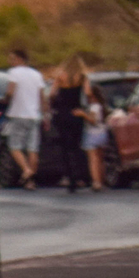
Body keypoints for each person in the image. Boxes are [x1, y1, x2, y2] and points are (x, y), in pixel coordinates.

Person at [1, 47, 47, 188]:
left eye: (12, 58)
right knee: (32, 148)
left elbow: (10, 91)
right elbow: (42, 96)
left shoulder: (14, 73)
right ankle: (30, 180)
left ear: (20, 59)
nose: (10, 61)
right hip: (34, 115)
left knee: (14, 146)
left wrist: (6, 100)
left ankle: (26, 170)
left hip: (18, 114)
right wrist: (45, 114)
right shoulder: (36, 74)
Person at [48, 56, 90, 192]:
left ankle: (69, 177)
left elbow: (52, 93)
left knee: (65, 147)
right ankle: (80, 176)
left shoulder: (60, 77)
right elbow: (88, 92)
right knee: (77, 146)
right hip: (76, 112)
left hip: (62, 113)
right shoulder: (82, 77)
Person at [81, 68, 114, 190]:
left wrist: (83, 114)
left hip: (92, 133)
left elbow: (93, 120)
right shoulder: (101, 106)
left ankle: (96, 182)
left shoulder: (93, 107)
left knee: (93, 159)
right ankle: (102, 179)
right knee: (100, 158)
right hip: (102, 132)